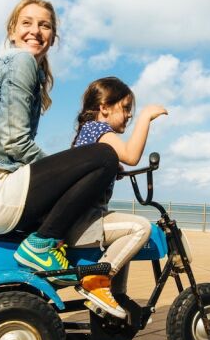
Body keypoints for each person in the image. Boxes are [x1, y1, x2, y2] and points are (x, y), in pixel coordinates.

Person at [0, 0, 119, 285]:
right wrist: (70, 173)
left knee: (96, 164)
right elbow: (15, 143)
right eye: (27, 23)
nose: (36, 31)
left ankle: (48, 243)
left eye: (44, 25)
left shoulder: (27, 68)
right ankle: (41, 245)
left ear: (52, 37)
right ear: (12, 30)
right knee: (104, 156)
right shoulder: (21, 61)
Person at [67, 77, 167, 318]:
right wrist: (145, 117)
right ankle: (96, 282)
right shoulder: (99, 130)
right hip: (85, 222)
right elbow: (131, 156)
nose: (129, 115)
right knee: (139, 228)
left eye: (132, 112)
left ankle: (116, 296)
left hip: (79, 219)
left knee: (122, 236)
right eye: (125, 109)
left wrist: (112, 170)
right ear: (104, 108)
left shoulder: (87, 133)